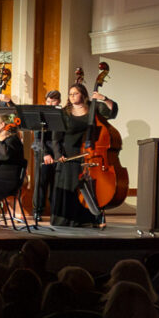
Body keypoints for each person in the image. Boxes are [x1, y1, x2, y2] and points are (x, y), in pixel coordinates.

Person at [45, 81, 119, 228]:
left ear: (83, 94)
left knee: (89, 187)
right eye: (70, 94)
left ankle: (89, 218)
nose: (72, 96)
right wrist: (59, 154)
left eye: (75, 93)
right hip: (68, 154)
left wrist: (104, 98)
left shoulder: (94, 107)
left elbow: (112, 112)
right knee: (70, 186)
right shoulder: (64, 112)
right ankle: (66, 220)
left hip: (90, 154)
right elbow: (55, 138)